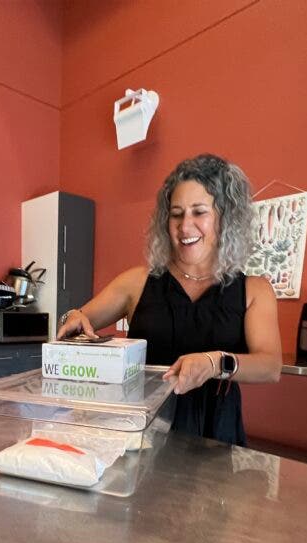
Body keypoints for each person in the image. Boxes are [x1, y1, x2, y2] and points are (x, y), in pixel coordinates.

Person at [55, 154, 282, 445]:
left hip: (216, 434)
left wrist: (215, 363)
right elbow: (77, 321)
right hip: (142, 430)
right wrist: (71, 318)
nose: (185, 227)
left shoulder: (254, 290)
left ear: (225, 218)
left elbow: (270, 366)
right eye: (177, 214)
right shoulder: (136, 282)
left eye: (199, 212)